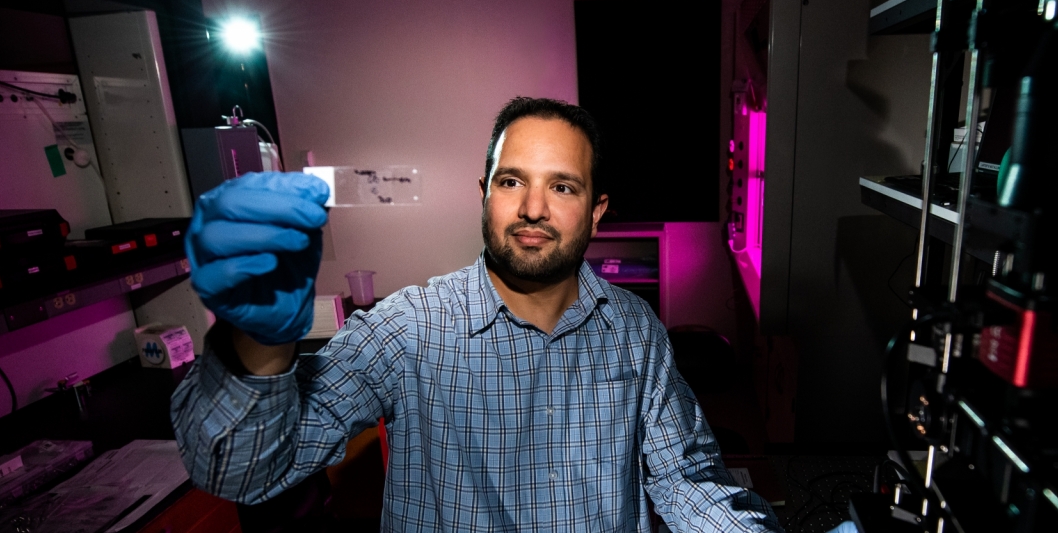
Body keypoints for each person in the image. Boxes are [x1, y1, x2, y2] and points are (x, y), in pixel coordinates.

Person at [170, 97, 783, 532]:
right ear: (484, 195)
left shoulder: (632, 326)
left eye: (562, 187)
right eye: (512, 182)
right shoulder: (411, 328)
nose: (534, 208)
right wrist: (259, 344)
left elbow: (684, 478)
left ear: (597, 212)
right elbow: (241, 474)